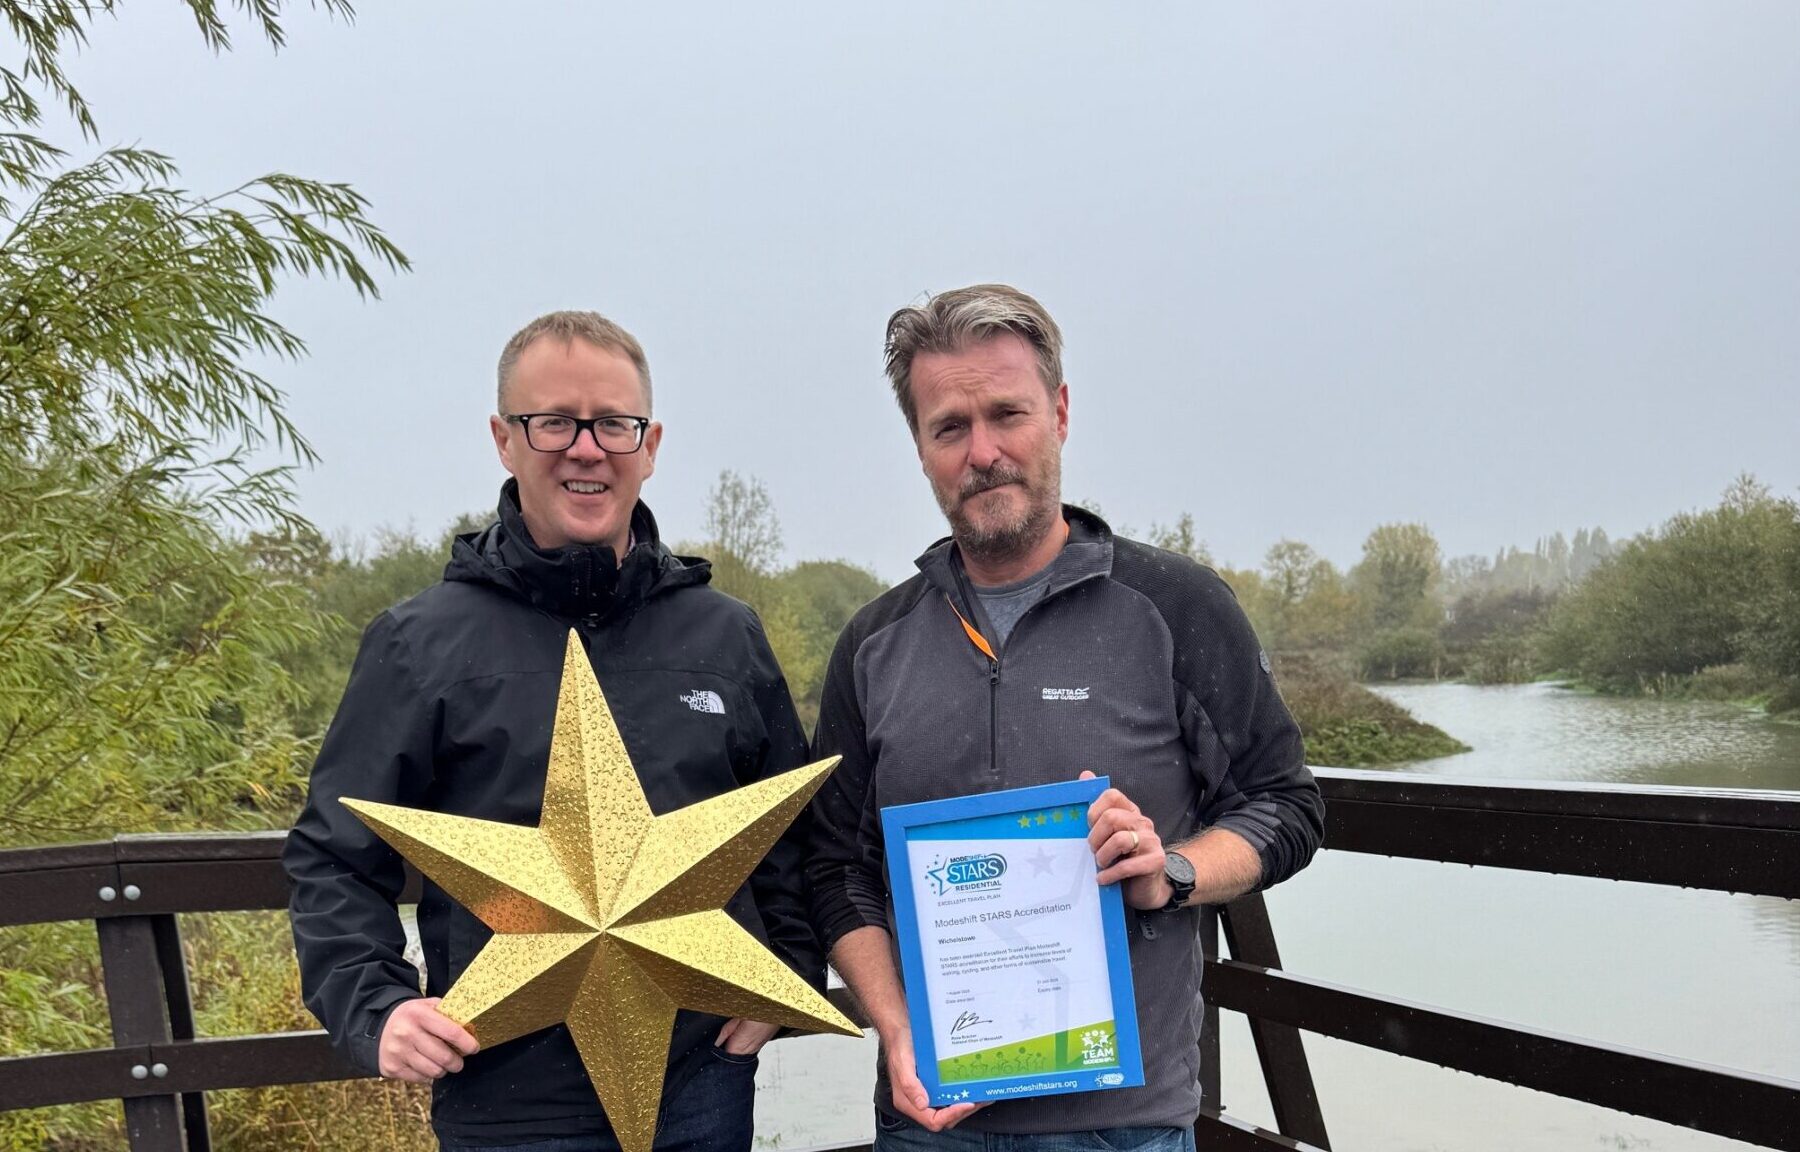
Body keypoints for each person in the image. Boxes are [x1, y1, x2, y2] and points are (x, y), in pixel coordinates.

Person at [806, 284, 1324, 1151]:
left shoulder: (1176, 607)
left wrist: (1175, 870)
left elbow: (1287, 807)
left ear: (1061, 411)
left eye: (1008, 414)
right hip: (931, 1121)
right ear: (921, 448)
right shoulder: (873, 642)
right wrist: (895, 1029)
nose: (984, 452)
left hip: (1124, 1127)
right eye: (949, 427)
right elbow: (836, 870)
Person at [284, 310, 816, 1152]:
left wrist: (782, 971)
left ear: (651, 443)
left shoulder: (726, 637)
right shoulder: (419, 643)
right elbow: (333, 857)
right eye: (554, 422)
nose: (586, 448)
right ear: (504, 439)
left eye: (613, 423)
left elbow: (790, 836)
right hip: (506, 1091)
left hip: (702, 1079)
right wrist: (375, 1006)